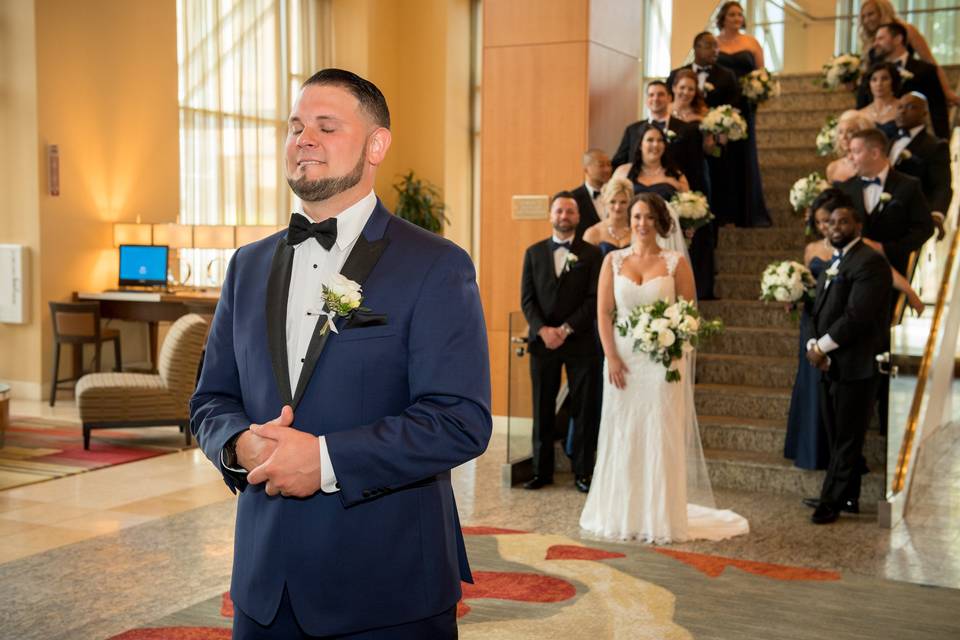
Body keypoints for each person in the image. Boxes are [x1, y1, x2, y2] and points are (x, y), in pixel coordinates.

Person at [189, 68, 491, 639]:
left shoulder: (435, 265)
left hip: (387, 588)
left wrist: (326, 461)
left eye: (327, 126)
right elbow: (211, 398)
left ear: (376, 145)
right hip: (264, 586)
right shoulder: (246, 266)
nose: (304, 139)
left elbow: (460, 421)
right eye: (296, 126)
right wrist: (236, 443)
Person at [579, 192, 749, 542]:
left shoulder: (675, 263)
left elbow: (689, 313)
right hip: (622, 361)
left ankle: (659, 516)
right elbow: (604, 313)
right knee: (623, 431)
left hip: (663, 362)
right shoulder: (612, 260)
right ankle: (623, 513)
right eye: (637, 217)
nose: (642, 224)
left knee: (659, 433)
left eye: (649, 218)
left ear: (660, 223)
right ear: (630, 220)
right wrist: (610, 355)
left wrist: (674, 345)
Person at [785, 189, 922, 472]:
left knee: (840, 402)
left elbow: (884, 272)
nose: (827, 226)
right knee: (815, 390)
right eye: (822, 222)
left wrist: (910, 291)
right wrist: (794, 295)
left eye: (830, 220)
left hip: (840, 329)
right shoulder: (812, 249)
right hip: (813, 324)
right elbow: (813, 285)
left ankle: (840, 464)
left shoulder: (860, 248)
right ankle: (816, 452)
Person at [805, 199, 893, 524]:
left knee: (847, 436)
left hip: (858, 364)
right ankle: (848, 495)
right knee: (836, 433)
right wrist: (816, 342)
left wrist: (822, 347)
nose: (835, 228)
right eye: (830, 223)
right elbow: (824, 308)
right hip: (834, 362)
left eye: (842, 222)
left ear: (857, 226)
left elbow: (857, 317)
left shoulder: (870, 262)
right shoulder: (838, 261)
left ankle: (830, 502)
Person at [520, 192, 603, 493]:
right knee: (542, 408)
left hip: (580, 342)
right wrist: (543, 330)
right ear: (551, 215)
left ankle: (583, 472)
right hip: (543, 344)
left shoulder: (593, 255)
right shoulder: (533, 252)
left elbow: (594, 299)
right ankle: (541, 472)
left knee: (583, 409)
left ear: (578, 217)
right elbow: (527, 300)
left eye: (570, 212)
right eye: (559, 211)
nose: (564, 216)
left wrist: (565, 329)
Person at [668, 32, 742, 231]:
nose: (686, 93)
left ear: (696, 92)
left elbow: (711, 150)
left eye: (691, 89)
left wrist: (718, 141)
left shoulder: (704, 115)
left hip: (697, 171)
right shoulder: (663, 115)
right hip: (669, 170)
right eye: (682, 88)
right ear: (674, 88)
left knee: (699, 222)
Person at [838, 128, 934, 278]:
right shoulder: (844, 189)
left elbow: (925, 228)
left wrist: (887, 249)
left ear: (875, 153)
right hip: (853, 274)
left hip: (894, 271)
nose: (849, 157)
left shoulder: (908, 185)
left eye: (855, 152)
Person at [715, 1, 772, 228]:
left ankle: (746, 212)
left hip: (745, 104)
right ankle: (723, 211)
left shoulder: (751, 42)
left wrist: (759, 88)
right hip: (720, 106)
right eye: (732, 14)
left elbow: (761, 73)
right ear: (723, 18)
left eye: (740, 14)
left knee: (743, 155)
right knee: (722, 156)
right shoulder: (715, 43)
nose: (737, 18)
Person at [857, 0, 960, 109]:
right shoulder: (868, 40)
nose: (867, 20)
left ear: (882, 12)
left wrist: (946, 91)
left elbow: (929, 61)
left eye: (871, 14)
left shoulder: (907, 30)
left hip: (907, 90)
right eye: (863, 16)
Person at [857, 22, 950, 139]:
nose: (875, 44)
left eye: (880, 39)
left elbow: (937, 108)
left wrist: (943, 140)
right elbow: (862, 104)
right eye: (875, 39)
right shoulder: (871, 71)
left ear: (898, 39)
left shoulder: (925, 70)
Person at [612, 81, 706, 195]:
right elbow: (619, 160)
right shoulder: (632, 130)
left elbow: (695, 168)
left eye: (661, 94)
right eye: (651, 95)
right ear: (647, 100)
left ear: (669, 98)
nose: (656, 98)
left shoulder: (686, 130)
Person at [889, 93, 953, 241]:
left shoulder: (935, 145)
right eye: (900, 107)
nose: (903, 111)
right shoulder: (888, 141)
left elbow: (942, 185)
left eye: (911, 107)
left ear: (924, 113)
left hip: (914, 217)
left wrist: (936, 215)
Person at [582, 177, 634, 256]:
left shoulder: (638, 230)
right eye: (612, 202)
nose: (617, 207)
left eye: (623, 202)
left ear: (630, 203)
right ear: (605, 202)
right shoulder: (593, 233)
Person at [570, 148, 612, 238]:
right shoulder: (573, 198)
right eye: (601, 165)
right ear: (586, 169)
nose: (607, 169)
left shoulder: (616, 196)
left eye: (609, 165)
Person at [825, 111, 875, 184]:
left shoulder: (875, 164)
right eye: (840, 132)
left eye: (850, 131)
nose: (844, 137)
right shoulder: (833, 168)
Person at [856, 61, 902, 140]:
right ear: (869, 83)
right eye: (874, 80)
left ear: (893, 81)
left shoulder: (902, 108)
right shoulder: (861, 113)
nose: (879, 84)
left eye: (884, 79)